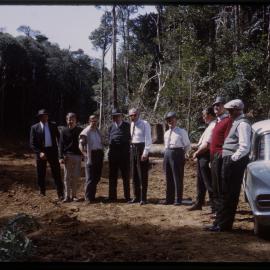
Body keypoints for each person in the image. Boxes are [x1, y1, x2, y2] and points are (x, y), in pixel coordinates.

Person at [205, 99, 251, 232]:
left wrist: (232, 159)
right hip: (229, 160)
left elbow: (244, 146)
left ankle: (224, 225)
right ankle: (219, 222)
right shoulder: (236, 122)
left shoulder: (243, 124)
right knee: (224, 193)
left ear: (237, 110)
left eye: (231, 111)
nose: (229, 113)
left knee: (230, 194)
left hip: (233, 162)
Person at [30, 109, 64, 200]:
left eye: (46, 116)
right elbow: (32, 143)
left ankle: (60, 194)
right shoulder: (34, 128)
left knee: (56, 173)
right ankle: (42, 193)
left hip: (52, 152)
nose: (45, 117)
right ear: (39, 117)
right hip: (41, 152)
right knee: (41, 174)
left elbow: (59, 139)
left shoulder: (53, 125)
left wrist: (61, 151)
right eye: (43, 116)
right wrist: (39, 152)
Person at [188, 107, 216, 211]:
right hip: (202, 155)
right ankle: (199, 203)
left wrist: (197, 153)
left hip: (206, 156)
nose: (203, 118)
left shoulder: (213, 126)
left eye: (204, 115)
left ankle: (214, 206)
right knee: (200, 182)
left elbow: (207, 145)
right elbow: (203, 143)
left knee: (208, 182)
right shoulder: (209, 126)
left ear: (210, 115)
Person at [162, 112, 191, 205]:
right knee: (168, 177)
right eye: (168, 119)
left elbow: (187, 145)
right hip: (167, 153)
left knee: (177, 177)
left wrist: (186, 155)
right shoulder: (166, 133)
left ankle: (178, 199)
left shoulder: (181, 131)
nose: (170, 121)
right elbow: (166, 145)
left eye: (172, 119)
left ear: (176, 119)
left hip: (177, 153)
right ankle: (169, 199)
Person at [210, 96, 232, 215]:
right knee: (215, 184)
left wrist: (222, 155)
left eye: (219, 104)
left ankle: (221, 212)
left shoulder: (228, 120)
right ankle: (217, 210)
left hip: (220, 156)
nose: (216, 107)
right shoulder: (217, 122)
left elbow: (228, 139)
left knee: (220, 184)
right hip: (213, 156)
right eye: (215, 105)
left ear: (225, 106)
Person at [128, 108, 152, 205]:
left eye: (134, 115)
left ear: (138, 114)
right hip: (133, 148)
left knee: (142, 174)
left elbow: (148, 139)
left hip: (141, 148)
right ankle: (136, 197)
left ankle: (143, 198)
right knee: (134, 174)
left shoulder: (144, 124)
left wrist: (145, 152)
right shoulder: (132, 124)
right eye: (131, 115)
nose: (133, 117)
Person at [107, 109, 131, 202]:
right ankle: (112, 197)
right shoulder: (110, 127)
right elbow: (110, 140)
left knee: (126, 176)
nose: (116, 118)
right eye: (114, 116)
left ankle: (127, 197)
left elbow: (130, 139)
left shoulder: (127, 126)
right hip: (113, 156)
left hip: (124, 156)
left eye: (117, 116)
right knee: (112, 176)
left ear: (121, 116)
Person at [79, 115, 104, 204]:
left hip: (98, 155)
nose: (94, 123)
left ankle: (92, 196)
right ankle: (88, 197)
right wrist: (85, 155)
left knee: (97, 177)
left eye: (95, 121)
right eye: (92, 121)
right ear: (89, 121)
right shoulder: (85, 132)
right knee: (90, 177)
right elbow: (80, 146)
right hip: (90, 155)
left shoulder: (98, 131)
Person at [59, 113, 83, 203]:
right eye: (69, 119)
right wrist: (60, 156)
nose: (71, 121)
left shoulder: (80, 130)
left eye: (72, 119)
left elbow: (84, 144)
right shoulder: (63, 131)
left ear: (76, 120)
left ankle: (74, 196)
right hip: (67, 156)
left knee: (76, 177)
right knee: (66, 177)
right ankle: (67, 196)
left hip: (77, 156)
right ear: (66, 120)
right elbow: (60, 145)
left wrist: (84, 155)